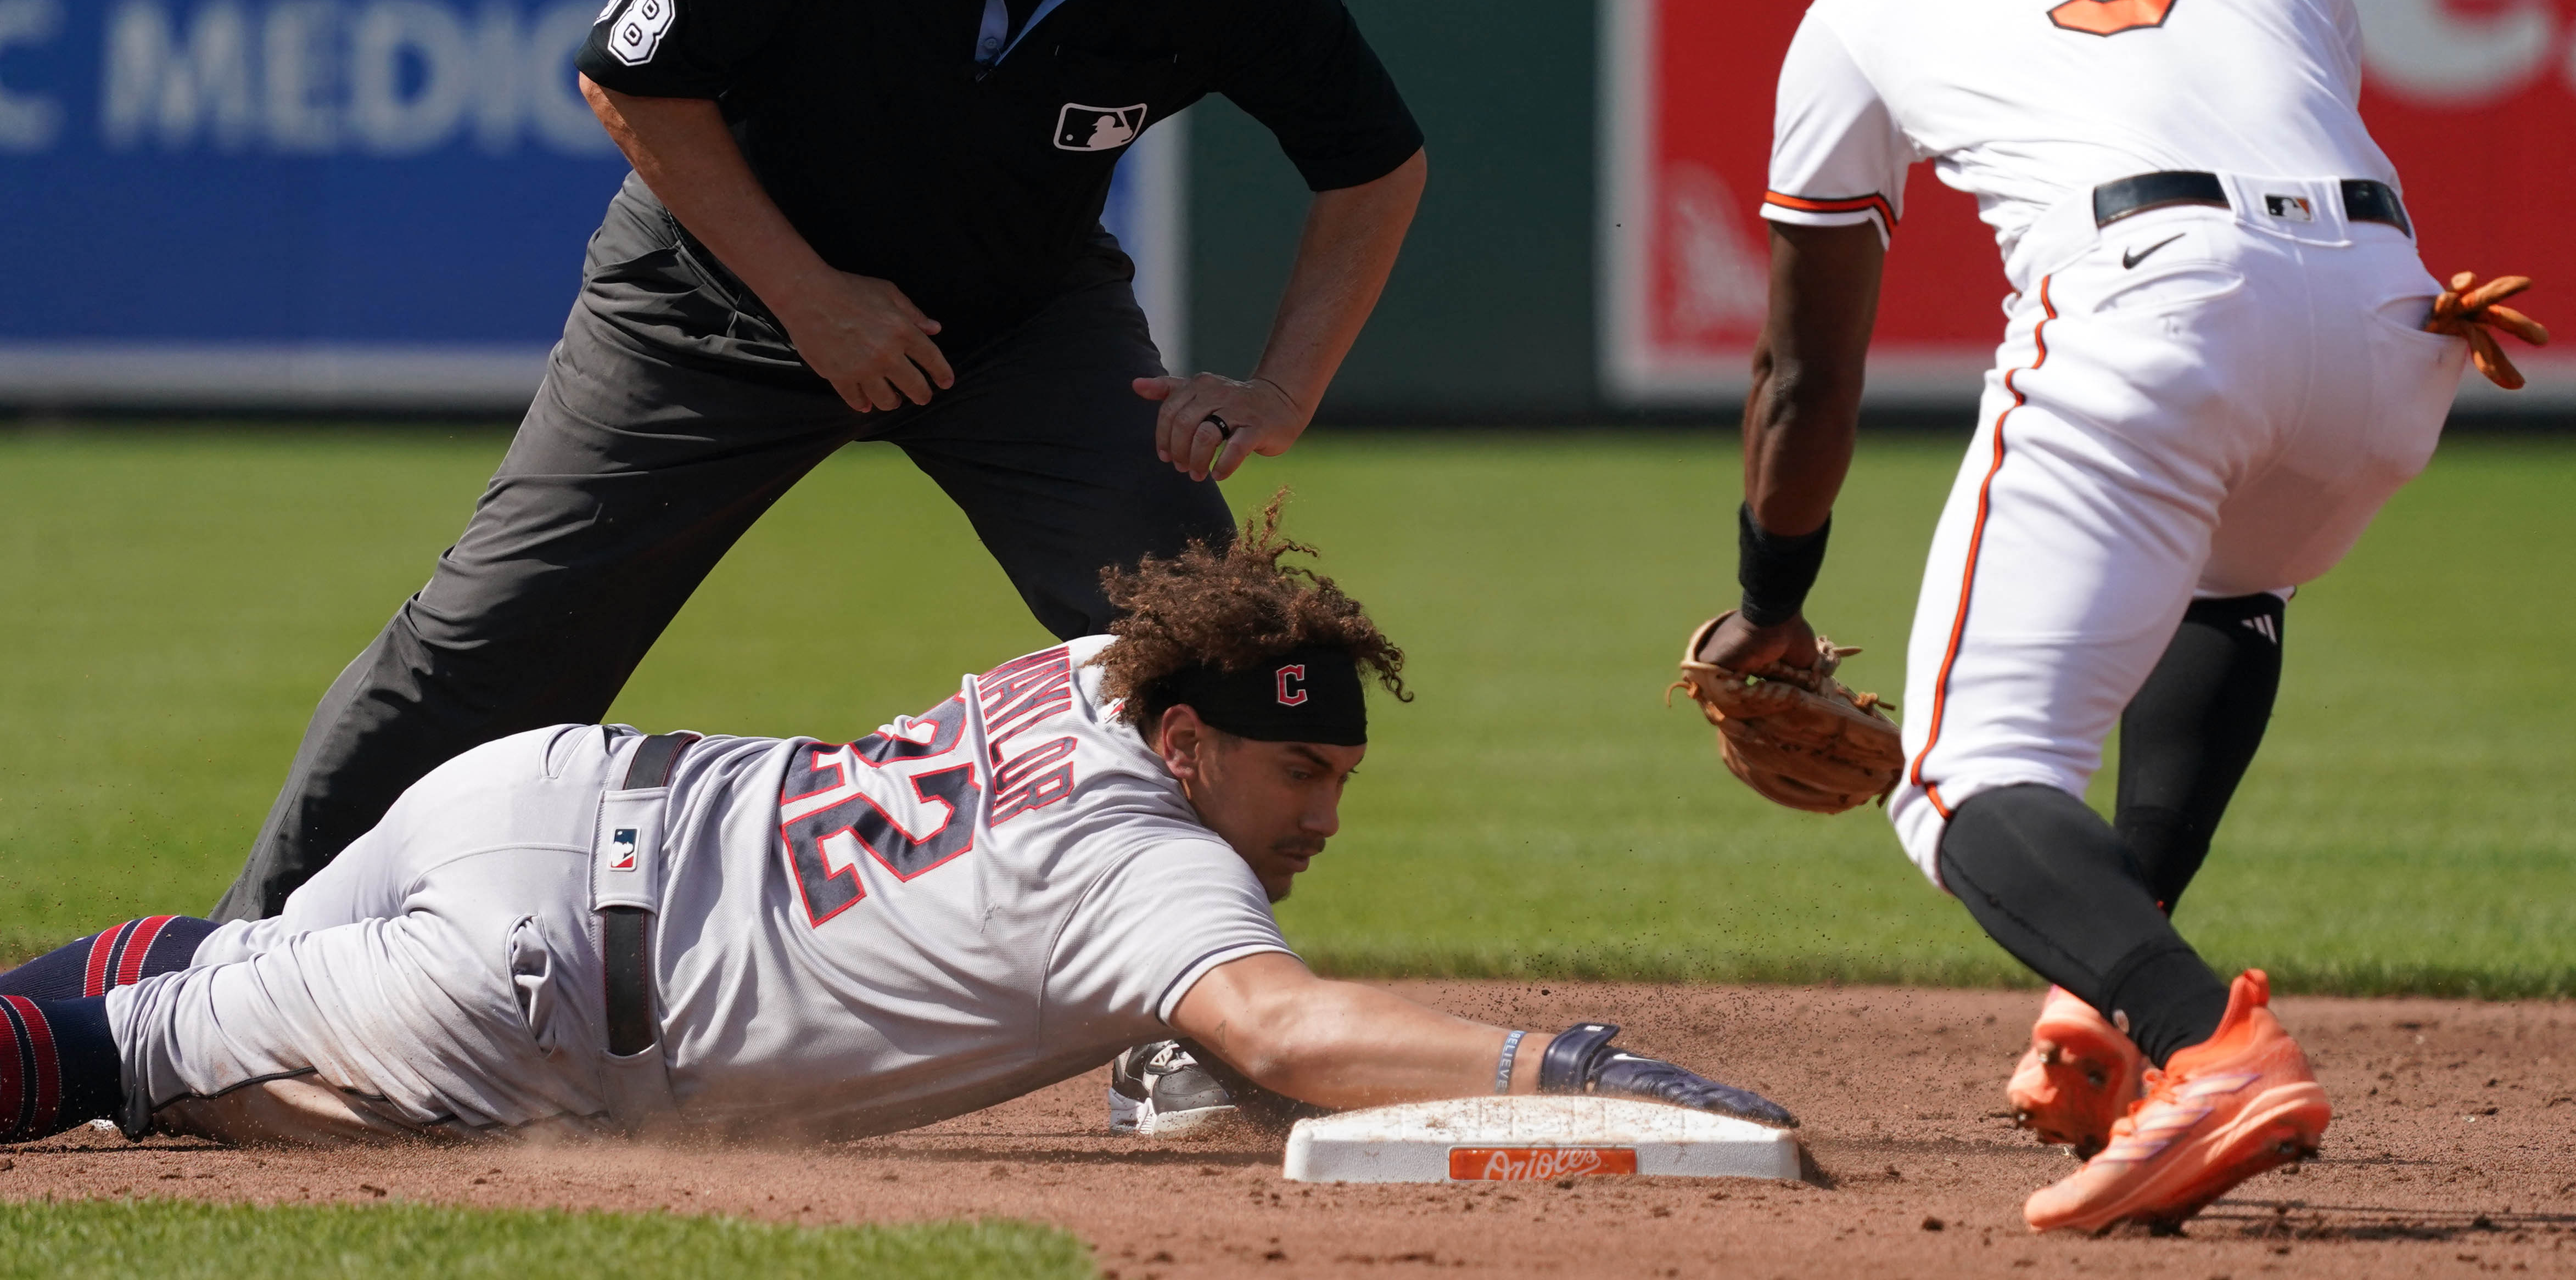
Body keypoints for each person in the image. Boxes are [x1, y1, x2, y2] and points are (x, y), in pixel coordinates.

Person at [211, 0, 1427, 965]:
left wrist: (1285, 386)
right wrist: (811, 298)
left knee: (1211, 648)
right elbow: (629, 77)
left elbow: (1374, 160)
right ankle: (227, 981)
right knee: (492, 646)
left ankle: (1198, 1003)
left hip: (1020, 320)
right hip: (712, 304)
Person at [1688, 0, 2561, 1233]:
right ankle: (2093, 1028)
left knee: (1956, 781)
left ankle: (2195, 1047)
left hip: (2150, 303)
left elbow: (1803, 375)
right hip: (2391, 321)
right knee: (2227, 589)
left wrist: (1768, 596)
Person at [0, 508, 1790, 1148]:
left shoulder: (1098, 668)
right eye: (1297, 774)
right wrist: (1558, 1063)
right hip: (534, 985)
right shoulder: (1146, 861)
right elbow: (1279, 1021)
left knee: (202, 983)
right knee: (122, 1060)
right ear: (1184, 737)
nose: (1319, 812)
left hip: (540, 789)